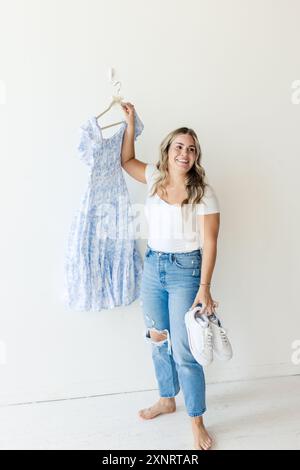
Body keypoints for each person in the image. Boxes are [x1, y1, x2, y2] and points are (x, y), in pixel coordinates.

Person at [120, 102, 220, 451]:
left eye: (191, 148)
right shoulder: (153, 178)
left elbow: (210, 243)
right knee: (157, 338)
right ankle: (166, 398)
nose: (185, 153)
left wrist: (204, 289)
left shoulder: (203, 193)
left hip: (186, 271)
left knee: (185, 351)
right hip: (153, 268)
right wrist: (130, 124)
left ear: (196, 156)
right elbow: (127, 161)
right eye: (179, 146)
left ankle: (196, 420)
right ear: (167, 150)